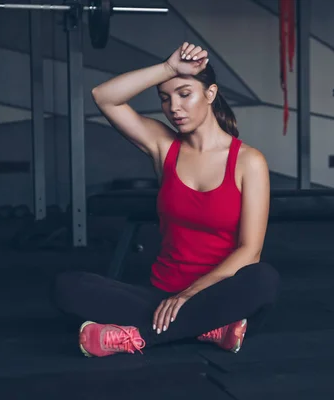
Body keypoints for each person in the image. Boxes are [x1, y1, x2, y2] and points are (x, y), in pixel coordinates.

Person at [52, 42, 280, 358]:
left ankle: (137, 337)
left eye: (184, 94)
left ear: (210, 94)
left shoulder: (249, 161)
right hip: (158, 295)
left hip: (217, 291)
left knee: (263, 280)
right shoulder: (164, 147)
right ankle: (209, 329)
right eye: (165, 98)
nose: (174, 107)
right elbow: (103, 96)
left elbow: (249, 250)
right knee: (68, 286)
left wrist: (190, 294)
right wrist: (169, 70)